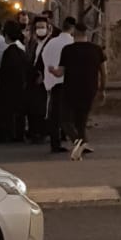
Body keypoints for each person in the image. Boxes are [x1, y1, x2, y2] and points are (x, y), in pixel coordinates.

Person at [58, 23, 107, 160]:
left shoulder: (67, 49)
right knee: (81, 120)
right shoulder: (97, 49)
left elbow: (60, 72)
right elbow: (103, 72)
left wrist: (52, 71)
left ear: (74, 32)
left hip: (70, 89)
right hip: (89, 89)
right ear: (87, 33)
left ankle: (78, 141)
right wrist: (102, 89)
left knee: (65, 119)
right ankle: (81, 145)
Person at [40, 17, 76, 154]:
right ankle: (76, 140)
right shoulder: (72, 43)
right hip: (68, 83)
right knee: (69, 115)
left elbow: (44, 58)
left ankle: (55, 143)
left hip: (54, 83)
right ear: (72, 28)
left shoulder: (51, 43)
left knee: (54, 114)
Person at [0, 21, 29, 143]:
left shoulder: (8, 53)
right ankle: (19, 134)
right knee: (19, 112)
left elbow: (5, 71)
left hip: (9, 87)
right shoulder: (21, 51)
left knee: (9, 112)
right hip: (21, 86)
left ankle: (10, 134)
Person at [25, 19, 49, 144]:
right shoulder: (32, 43)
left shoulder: (49, 43)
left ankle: (41, 132)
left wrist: (43, 75)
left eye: (43, 27)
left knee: (41, 108)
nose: (40, 29)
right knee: (32, 107)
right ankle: (34, 131)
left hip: (43, 80)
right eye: (38, 27)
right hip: (32, 78)